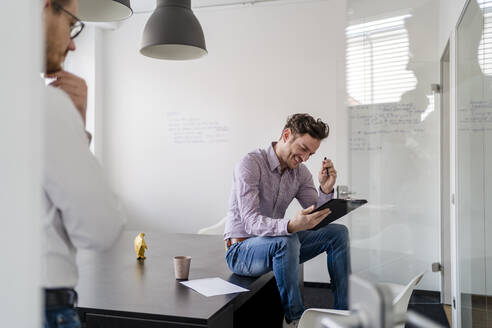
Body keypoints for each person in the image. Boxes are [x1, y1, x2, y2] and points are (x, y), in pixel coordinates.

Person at [41, 1, 125, 327]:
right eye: (72, 23)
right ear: (45, 8)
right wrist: (76, 127)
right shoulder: (45, 105)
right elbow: (101, 229)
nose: (74, 42)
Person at [224, 113, 351, 328]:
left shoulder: (300, 173)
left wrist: (326, 189)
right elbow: (251, 222)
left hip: (276, 245)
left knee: (338, 233)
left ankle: (344, 314)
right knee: (286, 239)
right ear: (286, 135)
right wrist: (290, 225)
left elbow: (316, 216)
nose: (305, 158)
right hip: (242, 251)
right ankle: (295, 319)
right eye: (303, 148)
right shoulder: (250, 163)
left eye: (311, 153)